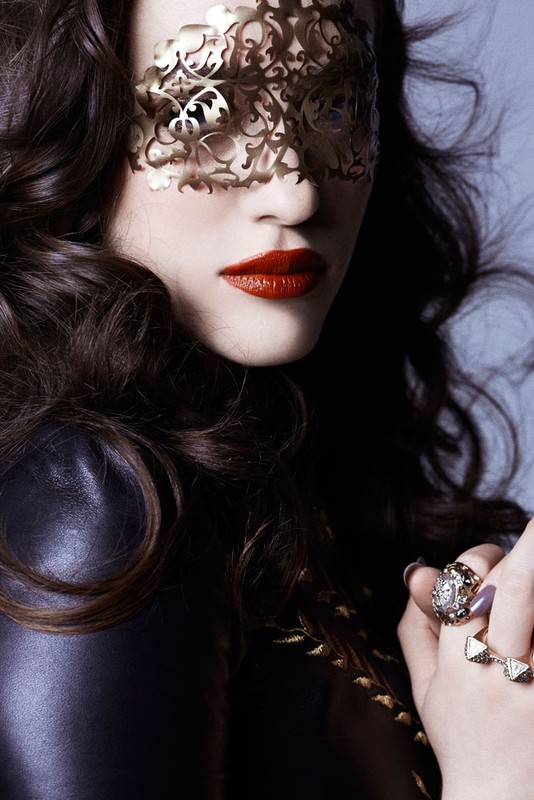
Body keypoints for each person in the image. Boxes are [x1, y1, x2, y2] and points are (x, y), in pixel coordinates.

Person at [0, 0, 529, 798]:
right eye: (201, 111)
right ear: (73, 130)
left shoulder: (290, 457)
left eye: (336, 103)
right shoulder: (103, 503)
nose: (295, 191)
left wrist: (482, 670)